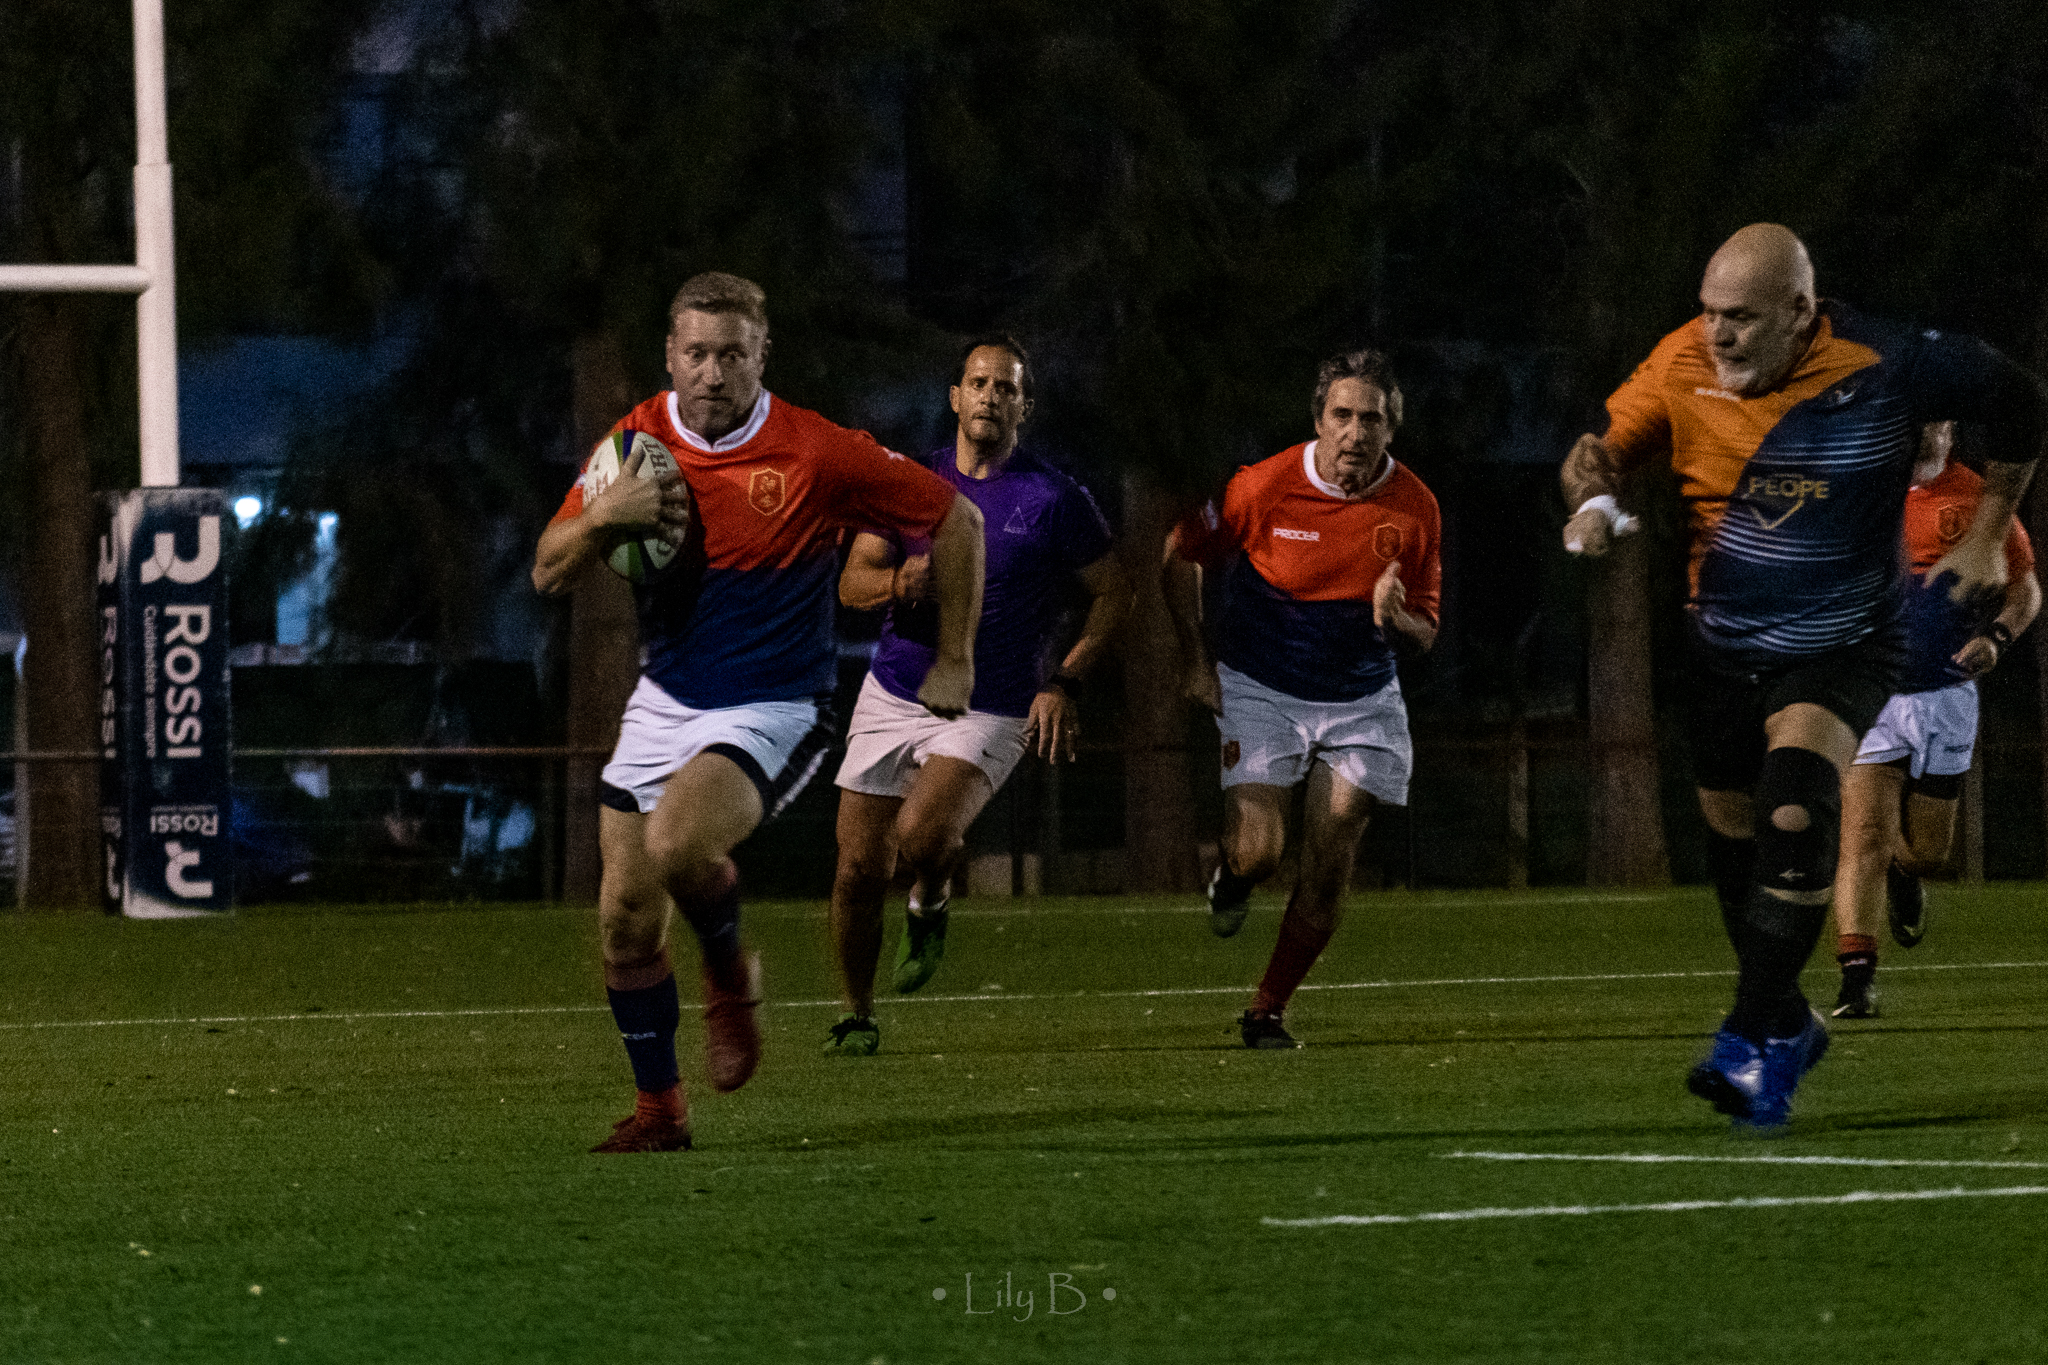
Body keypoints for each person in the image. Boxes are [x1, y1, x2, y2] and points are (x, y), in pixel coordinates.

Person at [1561, 223, 2045, 1131]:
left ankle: (1745, 1036)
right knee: (1735, 845)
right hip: (1721, 646)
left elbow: (2021, 398)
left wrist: (1988, 531)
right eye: (1709, 313)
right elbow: (1597, 449)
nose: (1719, 334)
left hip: (1846, 641)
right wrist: (1591, 502)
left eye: (1742, 317)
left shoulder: (1888, 360)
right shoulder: (1680, 359)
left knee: (1796, 808)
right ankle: (1789, 1023)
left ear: (1800, 311)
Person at [532, 272, 985, 1152]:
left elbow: (957, 519)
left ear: (761, 356)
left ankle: (730, 972)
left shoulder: (815, 450)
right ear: (671, 356)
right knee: (623, 921)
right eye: (697, 353)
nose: (713, 372)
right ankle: (661, 1112)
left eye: (732, 355)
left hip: (773, 706)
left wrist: (955, 657)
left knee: (677, 842)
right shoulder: (635, 444)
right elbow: (549, 570)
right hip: (665, 699)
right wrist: (602, 516)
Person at [823, 336, 1131, 1055]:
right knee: (857, 869)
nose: (991, 395)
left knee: (922, 836)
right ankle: (857, 1016)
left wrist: (1066, 679)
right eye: (980, 382)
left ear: (1025, 406)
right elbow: (851, 584)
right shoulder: (908, 482)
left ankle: (931, 897)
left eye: (1007, 386)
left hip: (992, 701)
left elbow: (1115, 591)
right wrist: (898, 582)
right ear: (955, 397)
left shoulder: (1055, 497)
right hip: (896, 689)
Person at [1162, 348, 1441, 1050]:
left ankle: (1266, 1011)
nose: (1355, 432)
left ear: (1391, 428)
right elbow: (1179, 552)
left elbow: (1428, 630)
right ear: (1318, 420)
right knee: (1259, 854)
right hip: (1262, 687)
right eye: (1342, 415)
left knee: (1334, 844)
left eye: (1371, 419)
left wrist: (1396, 616)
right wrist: (1194, 658)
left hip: (1362, 697)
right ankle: (1233, 878)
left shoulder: (1416, 507)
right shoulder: (1263, 486)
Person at [1829, 420, 2039, 1018]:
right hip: (1871, 691)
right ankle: (1856, 981)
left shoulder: (1980, 498)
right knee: (1862, 836)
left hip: (1946, 695)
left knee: (1928, 853)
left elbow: (2025, 589)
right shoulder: (1864, 487)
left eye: (1936, 417)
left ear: (1949, 427)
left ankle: (1905, 873)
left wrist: (1997, 638)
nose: (1924, 426)